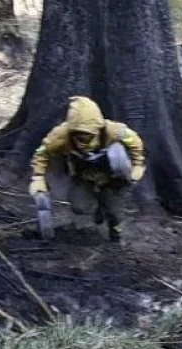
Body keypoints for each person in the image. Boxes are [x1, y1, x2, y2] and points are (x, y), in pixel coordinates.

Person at [28, 96, 146, 242]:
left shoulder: (114, 131)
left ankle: (115, 230)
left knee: (114, 212)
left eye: (88, 135)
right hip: (84, 177)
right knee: (80, 207)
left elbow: (136, 143)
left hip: (112, 178)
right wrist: (38, 177)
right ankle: (97, 208)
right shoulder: (60, 136)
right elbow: (42, 153)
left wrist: (138, 164)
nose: (83, 139)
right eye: (78, 135)